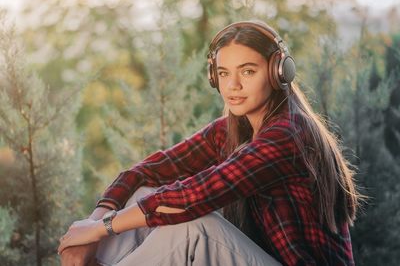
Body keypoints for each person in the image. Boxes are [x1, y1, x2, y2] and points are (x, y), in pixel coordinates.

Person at [58, 20, 362, 266]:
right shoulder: (231, 131)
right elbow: (144, 172)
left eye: (248, 71)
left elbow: (194, 196)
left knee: (195, 228)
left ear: (277, 72)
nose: (233, 85)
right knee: (144, 192)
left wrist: (102, 227)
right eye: (223, 73)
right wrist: (90, 230)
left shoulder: (289, 134)